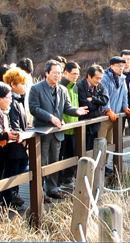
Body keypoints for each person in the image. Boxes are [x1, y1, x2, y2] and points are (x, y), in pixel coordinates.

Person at [29, 60, 88, 200]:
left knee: (55, 161)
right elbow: (34, 108)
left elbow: (67, 107)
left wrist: (77, 111)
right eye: (55, 72)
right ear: (47, 73)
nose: (58, 75)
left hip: (57, 132)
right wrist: (50, 117)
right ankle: (40, 191)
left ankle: (52, 188)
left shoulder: (63, 89)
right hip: (42, 131)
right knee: (42, 162)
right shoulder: (36, 88)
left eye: (60, 73)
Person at [1, 67, 29, 207]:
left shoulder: (18, 99)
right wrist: (21, 136)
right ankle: (7, 197)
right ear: (13, 84)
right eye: (22, 83)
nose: (24, 86)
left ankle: (13, 194)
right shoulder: (10, 100)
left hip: (19, 140)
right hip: (13, 142)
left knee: (20, 164)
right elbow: (13, 122)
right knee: (12, 169)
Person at [99, 56, 130, 171]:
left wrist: (126, 107)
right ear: (111, 66)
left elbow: (124, 95)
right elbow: (104, 95)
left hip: (116, 115)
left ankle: (105, 164)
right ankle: (98, 165)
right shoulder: (105, 78)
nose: (121, 68)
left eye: (122, 66)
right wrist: (107, 109)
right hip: (104, 116)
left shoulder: (123, 78)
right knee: (101, 140)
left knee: (109, 142)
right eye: (118, 65)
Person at [59, 61, 81, 187]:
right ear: (65, 73)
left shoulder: (75, 86)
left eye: (77, 74)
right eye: (73, 74)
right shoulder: (61, 86)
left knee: (72, 153)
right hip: (63, 126)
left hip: (74, 126)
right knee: (60, 155)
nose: (75, 76)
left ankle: (68, 178)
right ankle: (58, 180)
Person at [77, 64, 108, 151]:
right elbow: (86, 105)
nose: (99, 80)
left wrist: (93, 99)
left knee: (95, 148)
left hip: (96, 121)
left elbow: (105, 100)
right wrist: (98, 103)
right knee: (84, 148)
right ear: (89, 76)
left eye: (100, 78)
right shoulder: (80, 86)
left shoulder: (99, 86)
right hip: (85, 121)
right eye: (97, 78)